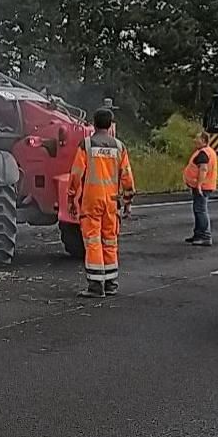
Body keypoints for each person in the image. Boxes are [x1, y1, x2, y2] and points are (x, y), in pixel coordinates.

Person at [68, 108, 135, 297]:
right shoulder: (119, 147)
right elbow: (127, 177)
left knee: (93, 241)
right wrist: (128, 201)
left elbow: (75, 175)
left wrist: (71, 198)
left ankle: (96, 285)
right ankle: (111, 282)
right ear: (111, 124)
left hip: (92, 200)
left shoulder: (87, 145)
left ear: (94, 124)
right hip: (112, 201)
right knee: (110, 240)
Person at [184, 131, 218, 246]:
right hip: (203, 186)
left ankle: (205, 236)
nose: (195, 140)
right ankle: (198, 234)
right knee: (198, 210)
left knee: (201, 210)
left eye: (197, 138)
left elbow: (203, 169)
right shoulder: (206, 152)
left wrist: (199, 185)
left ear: (204, 141)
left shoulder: (204, 153)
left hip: (202, 187)